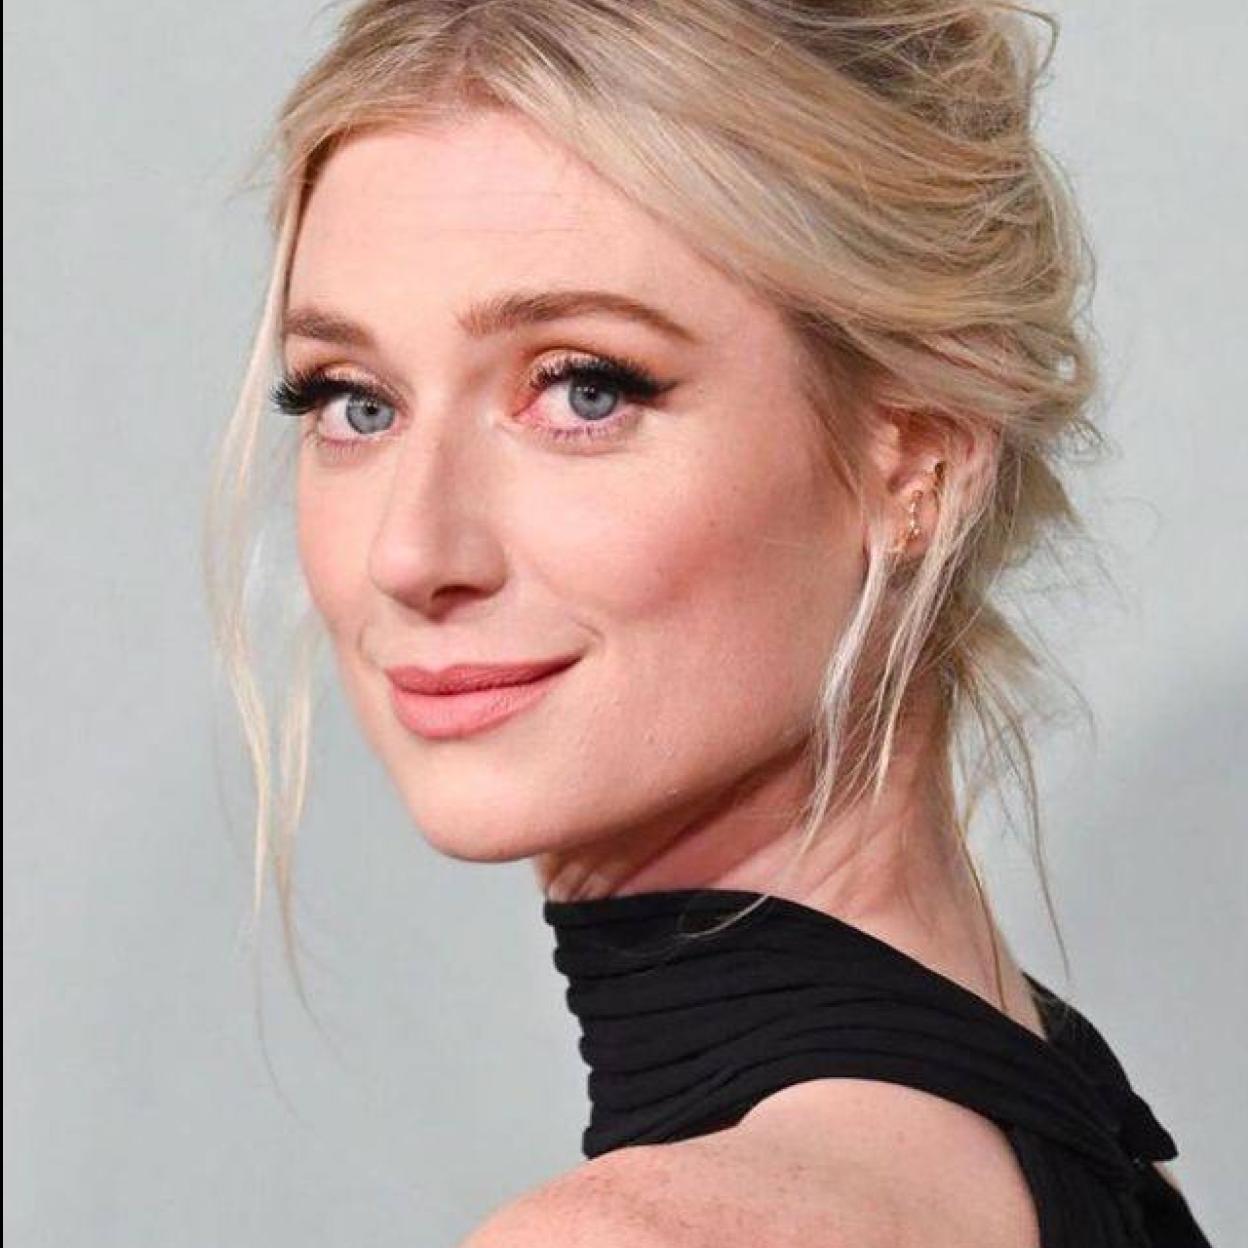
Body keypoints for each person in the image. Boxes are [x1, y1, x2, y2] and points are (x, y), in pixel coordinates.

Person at [204, 2, 1213, 1244]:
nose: (412, 553)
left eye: (584, 389)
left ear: (918, 461)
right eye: (354, 402)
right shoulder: (1079, 1155)